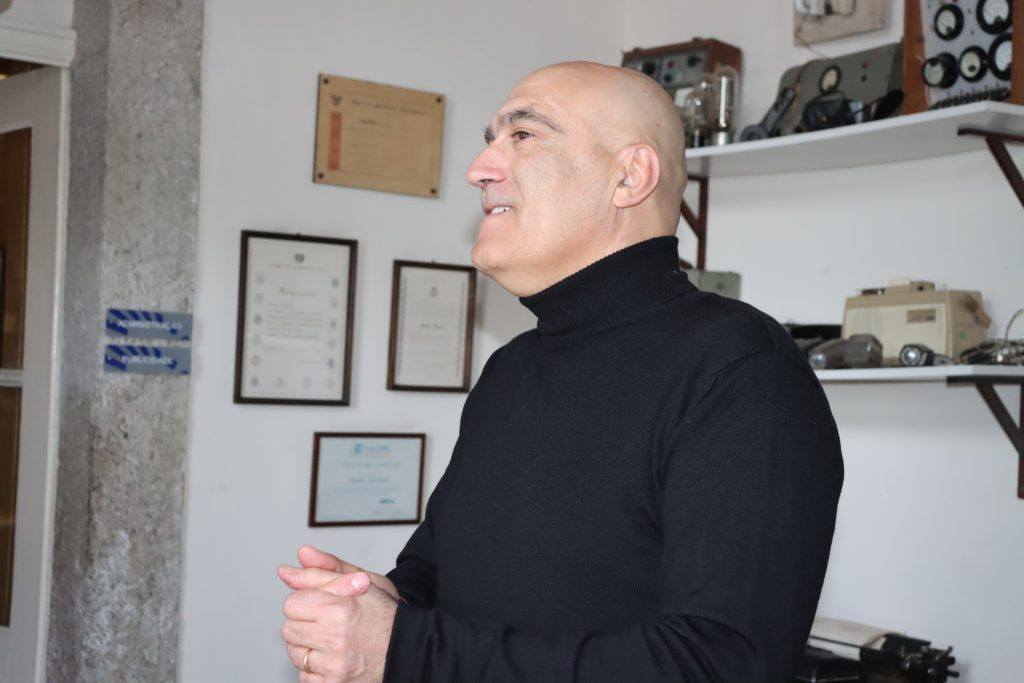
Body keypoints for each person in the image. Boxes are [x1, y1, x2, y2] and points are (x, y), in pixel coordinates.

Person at [278, 61, 844, 683]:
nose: (479, 168)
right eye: (490, 139)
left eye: (523, 135)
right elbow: (441, 572)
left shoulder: (741, 370)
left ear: (630, 176)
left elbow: (717, 664)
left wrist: (404, 648)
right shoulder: (511, 368)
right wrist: (382, 603)